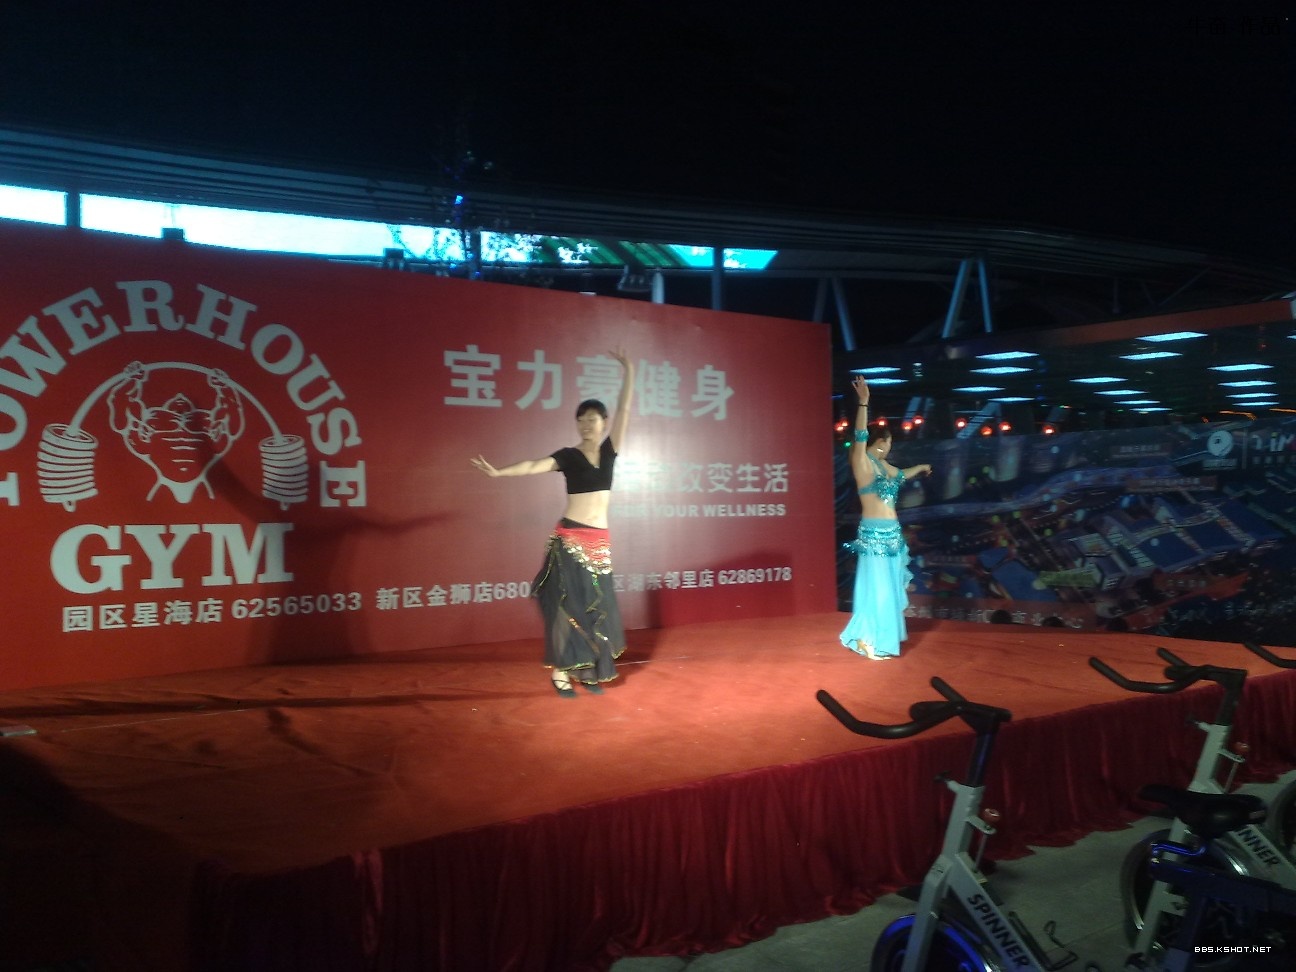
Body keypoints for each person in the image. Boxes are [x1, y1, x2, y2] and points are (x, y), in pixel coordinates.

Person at [470, 349, 635, 697]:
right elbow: (534, 465)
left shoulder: (609, 451)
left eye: (593, 419)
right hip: (570, 539)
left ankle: (588, 670)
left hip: (599, 543)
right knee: (567, 606)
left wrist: (629, 371)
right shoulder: (568, 456)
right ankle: (561, 671)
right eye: (582, 419)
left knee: (596, 609)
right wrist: (499, 472)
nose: (587, 424)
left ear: (604, 423)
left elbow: (624, 410)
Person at [840, 375, 931, 659]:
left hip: (893, 533)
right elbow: (860, 434)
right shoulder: (862, 462)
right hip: (875, 534)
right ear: (881, 442)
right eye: (889, 442)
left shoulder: (884, 466)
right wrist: (864, 403)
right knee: (878, 588)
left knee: (888, 588)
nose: (890, 447)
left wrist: (921, 467)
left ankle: (881, 638)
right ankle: (869, 639)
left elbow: (902, 474)